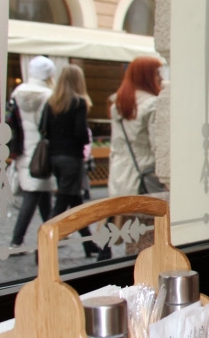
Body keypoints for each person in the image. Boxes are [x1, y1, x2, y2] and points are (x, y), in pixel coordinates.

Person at [44, 64, 102, 260]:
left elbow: (44, 128)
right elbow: (80, 132)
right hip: (71, 157)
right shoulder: (78, 103)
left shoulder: (51, 102)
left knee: (75, 201)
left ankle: (89, 244)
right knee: (61, 205)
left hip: (54, 157)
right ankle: (43, 247)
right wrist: (84, 139)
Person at [108, 56, 162, 254]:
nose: (160, 77)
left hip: (121, 172)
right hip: (145, 172)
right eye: (157, 73)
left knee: (132, 231)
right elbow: (158, 145)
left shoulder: (118, 103)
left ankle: (134, 264)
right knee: (149, 232)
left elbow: (116, 144)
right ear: (147, 76)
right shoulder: (153, 104)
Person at [8, 56, 56, 252]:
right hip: (43, 152)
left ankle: (51, 235)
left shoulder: (17, 93)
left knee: (41, 194)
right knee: (33, 194)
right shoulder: (49, 96)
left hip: (24, 149)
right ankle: (16, 240)